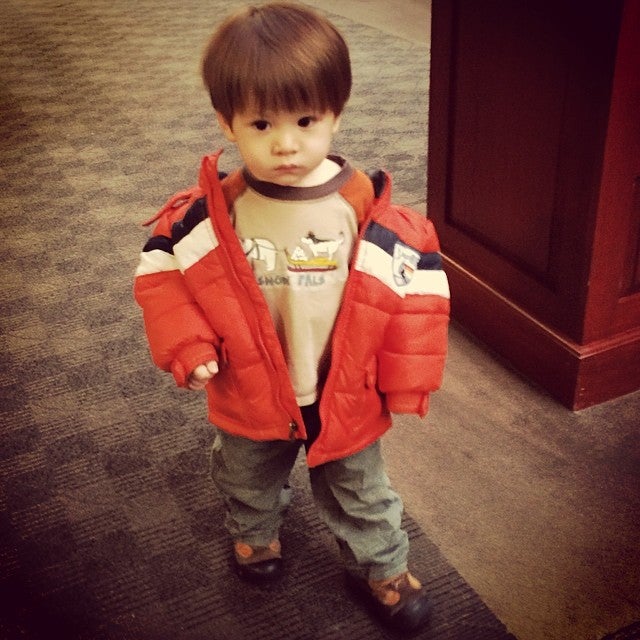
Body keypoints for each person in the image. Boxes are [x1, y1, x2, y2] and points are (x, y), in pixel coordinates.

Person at [134, 2, 449, 632]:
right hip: (250, 384)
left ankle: (382, 566)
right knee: (245, 473)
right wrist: (189, 345)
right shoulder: (210, 214)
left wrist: (405, 379)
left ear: (336, 113)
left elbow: (415, 298)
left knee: (361, 487)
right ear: (227, 123)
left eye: (306, 121)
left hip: (344, 387)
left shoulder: (367, 208)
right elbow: (164, 279)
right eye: (261, 123)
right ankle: (255, 534)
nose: (285, 143)